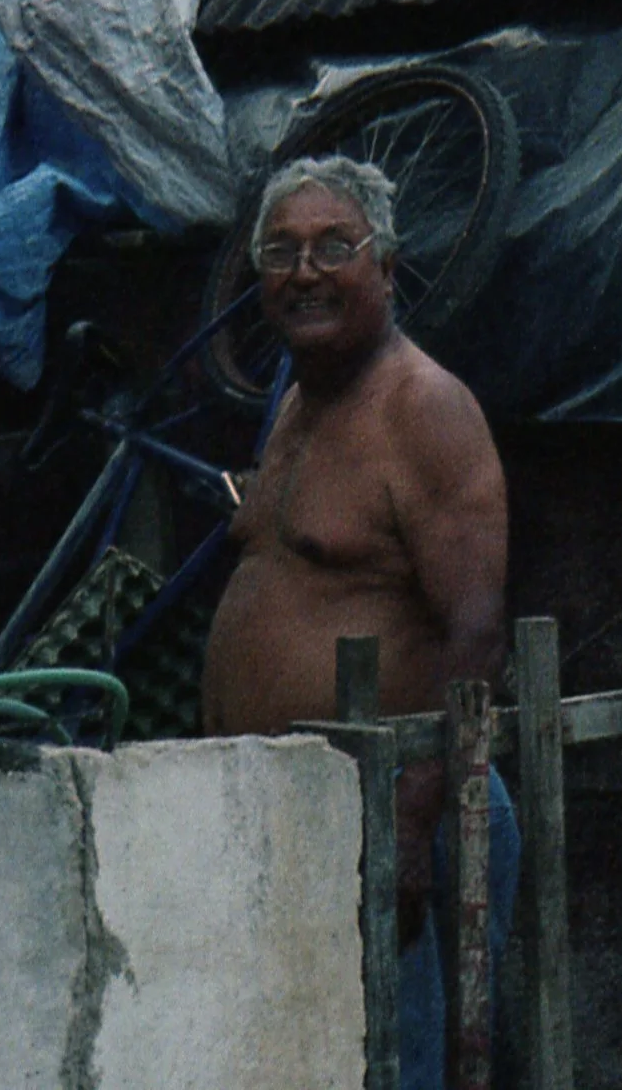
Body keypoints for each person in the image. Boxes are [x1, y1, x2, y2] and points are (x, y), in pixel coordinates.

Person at [201, 153, 517, 1090]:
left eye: (335, 245)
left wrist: (415, 820)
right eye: (281, 249)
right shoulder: (295, 402)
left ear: (387, 266)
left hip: (397, 817)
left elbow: (476, 629)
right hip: (304, 821)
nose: (305, 271)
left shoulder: (425, 406)